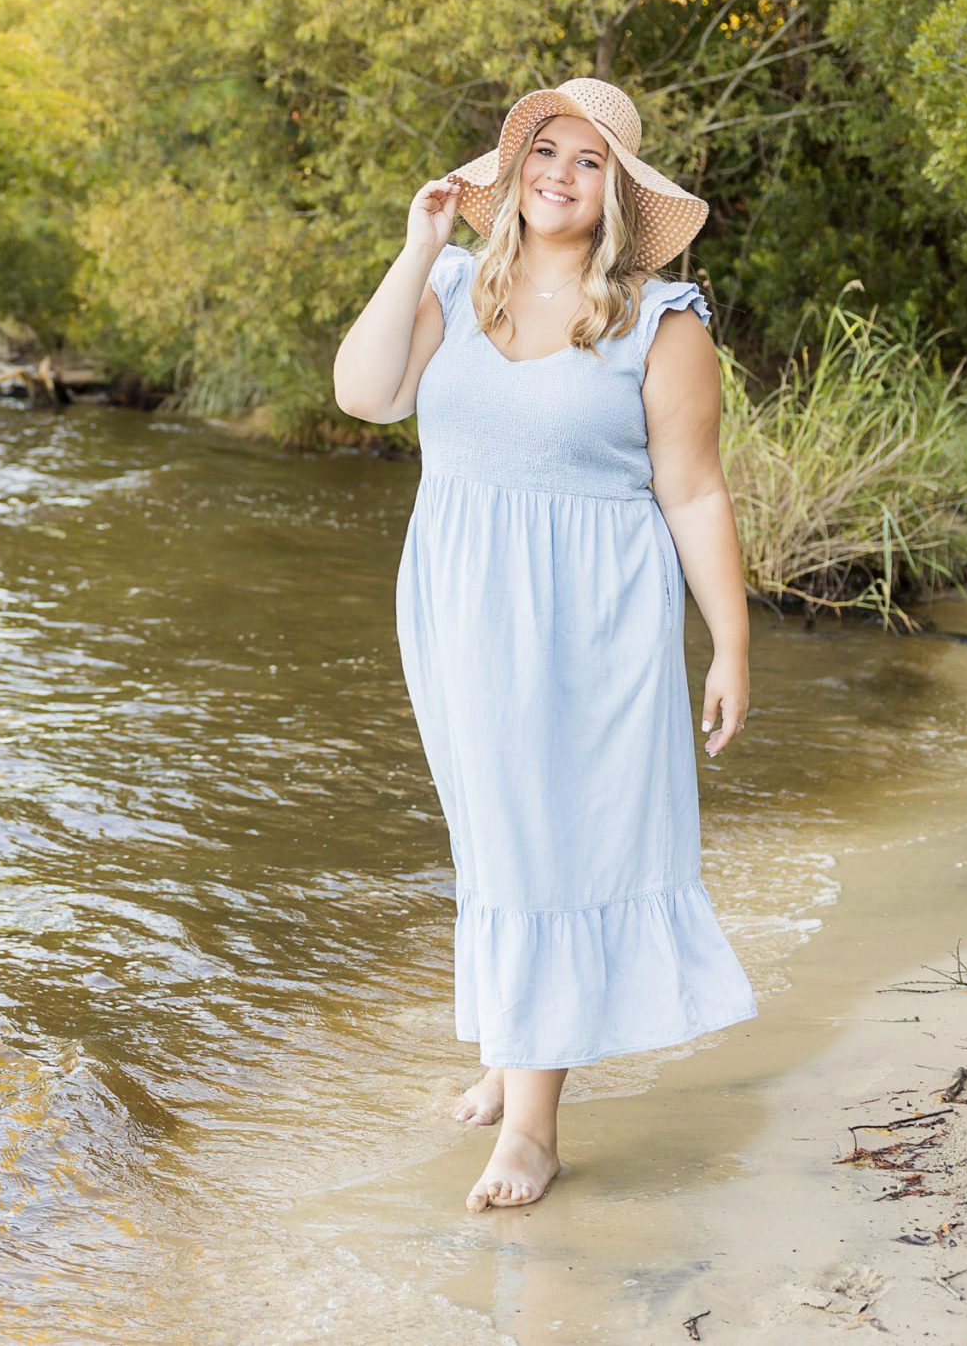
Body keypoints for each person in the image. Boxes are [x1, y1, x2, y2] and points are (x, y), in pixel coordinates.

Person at [332, 79, 758, 1212]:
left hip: (593, 615)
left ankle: (533, 1129)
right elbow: (366, 394)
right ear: (513, 168)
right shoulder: (459, 284)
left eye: (588, 163)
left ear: (618, 192)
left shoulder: (658, 323)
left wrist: (730, 646)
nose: (559, 175)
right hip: (459, 600)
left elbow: (697, 493)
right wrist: (417, 243)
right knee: (495, 828)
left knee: (547, 843)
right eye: (543, 152)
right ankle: (510, 1044)